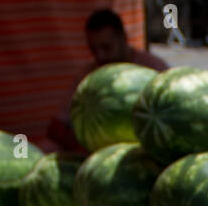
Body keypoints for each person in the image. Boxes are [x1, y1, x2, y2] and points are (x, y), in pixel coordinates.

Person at [46, 8, 169, 150]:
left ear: (123, 38)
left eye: (106, 47)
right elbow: (55, 127)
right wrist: (86, 150)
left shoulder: (153, 67)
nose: (100, 56)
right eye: (93, 49)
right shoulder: (87, 76)